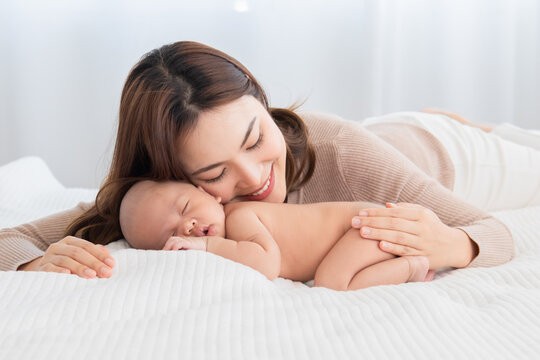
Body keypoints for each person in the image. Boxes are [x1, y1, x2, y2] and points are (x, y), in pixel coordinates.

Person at [1, 41, 538, 279]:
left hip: (448, 155)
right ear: (169, 174)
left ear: (262, 100)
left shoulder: (341, 151)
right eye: (214, 175)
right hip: (381, 138)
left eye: (256, 138)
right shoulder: (161, 201)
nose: (255, 177)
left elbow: (489, 230)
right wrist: (32, 262)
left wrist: (455, 244)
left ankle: (484, 130)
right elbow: (10, 241)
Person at [119, 179, 435, 290]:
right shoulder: (233, 233)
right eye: (173, 234)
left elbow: (267, 262)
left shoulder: (241, 215)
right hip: (361, 230)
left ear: (211, 194)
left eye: (186, 206)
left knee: (332, 283)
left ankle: (411, 266)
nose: (186, 226)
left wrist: (204, 245)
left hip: (365, 226)